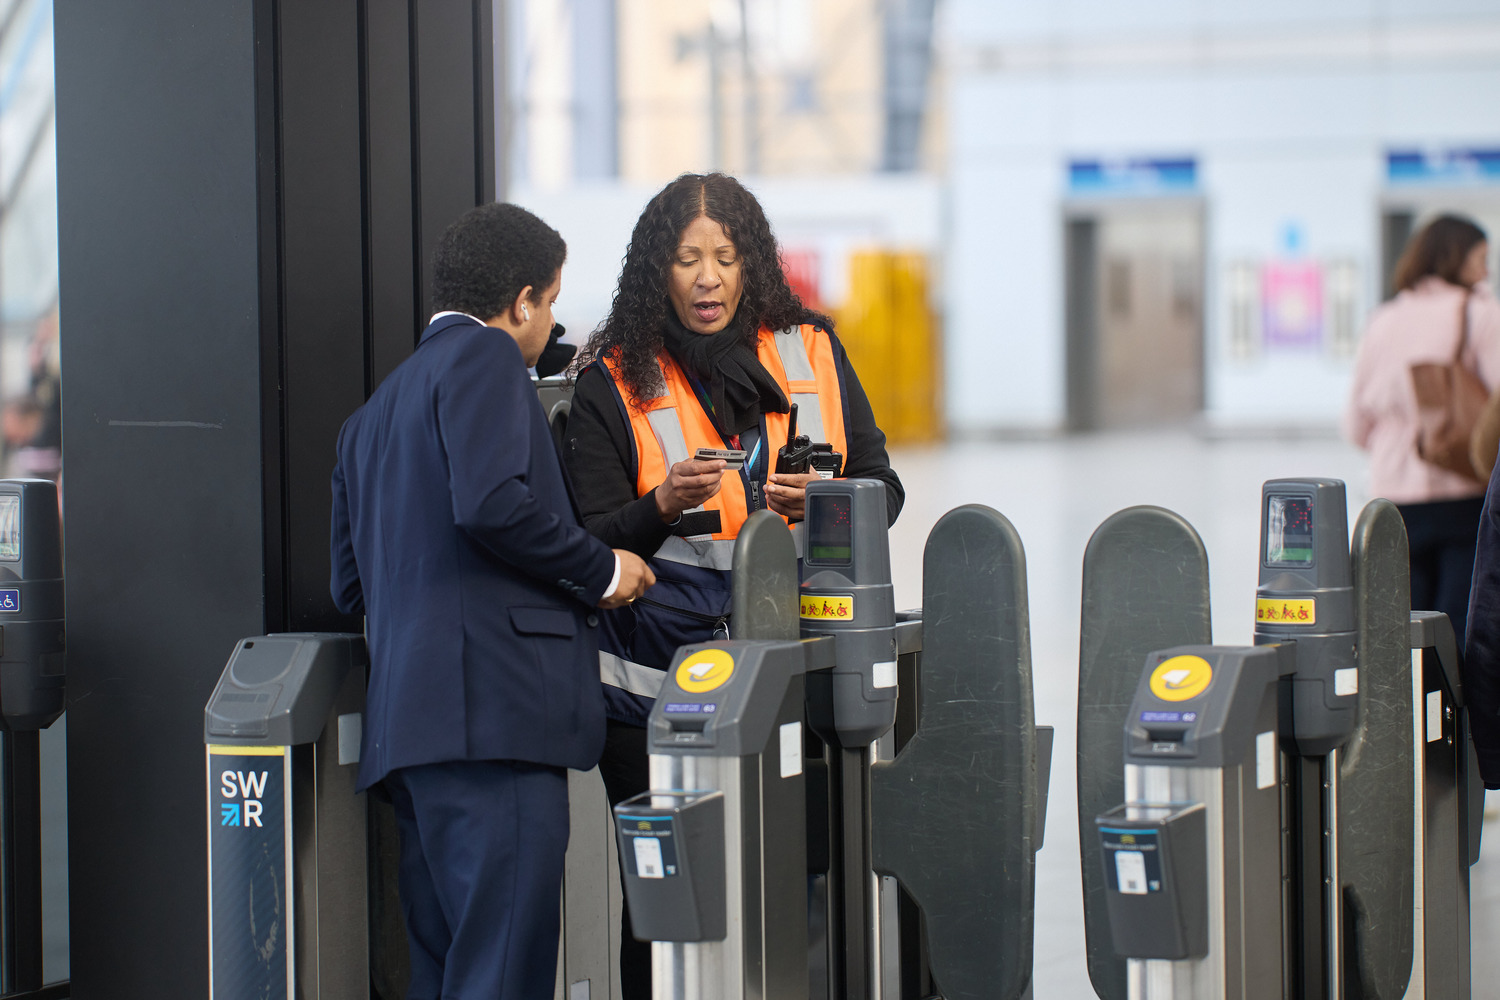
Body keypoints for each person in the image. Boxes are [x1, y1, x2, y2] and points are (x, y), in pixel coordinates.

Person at [563, 172, 904, 997]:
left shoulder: (811, 349)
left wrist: (830, 503)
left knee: (799, 891)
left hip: (796, 679)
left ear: (751, 263)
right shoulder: (613, 378)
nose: (707, 277)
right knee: (669, 905)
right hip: (653, 698)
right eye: (687, 259)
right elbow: (587, 541)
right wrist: (660, 505)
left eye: (724, 256)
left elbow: (882, 488)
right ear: (659, 270)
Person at [329, 203, 654, 1000]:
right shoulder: (484, 360)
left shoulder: (370, 419)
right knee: (504, 973)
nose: (548, 323)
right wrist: (604, 569)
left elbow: (349, 585)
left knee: (449, 972)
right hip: (495, 726)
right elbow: (489, 503)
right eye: (549, 302)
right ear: (520, 302)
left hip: (413, 735)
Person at [1345, 213, 1500, 651]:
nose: (1486, 271)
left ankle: (1408, 717)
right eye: (1481, 258)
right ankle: (1453, 718)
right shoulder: (1480, 312)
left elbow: (1356, 422)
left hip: (1395, 502)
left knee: (1401, 630)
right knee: (1456, 631)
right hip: (1463, 494)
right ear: (1456, 257)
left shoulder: (1384, 318)